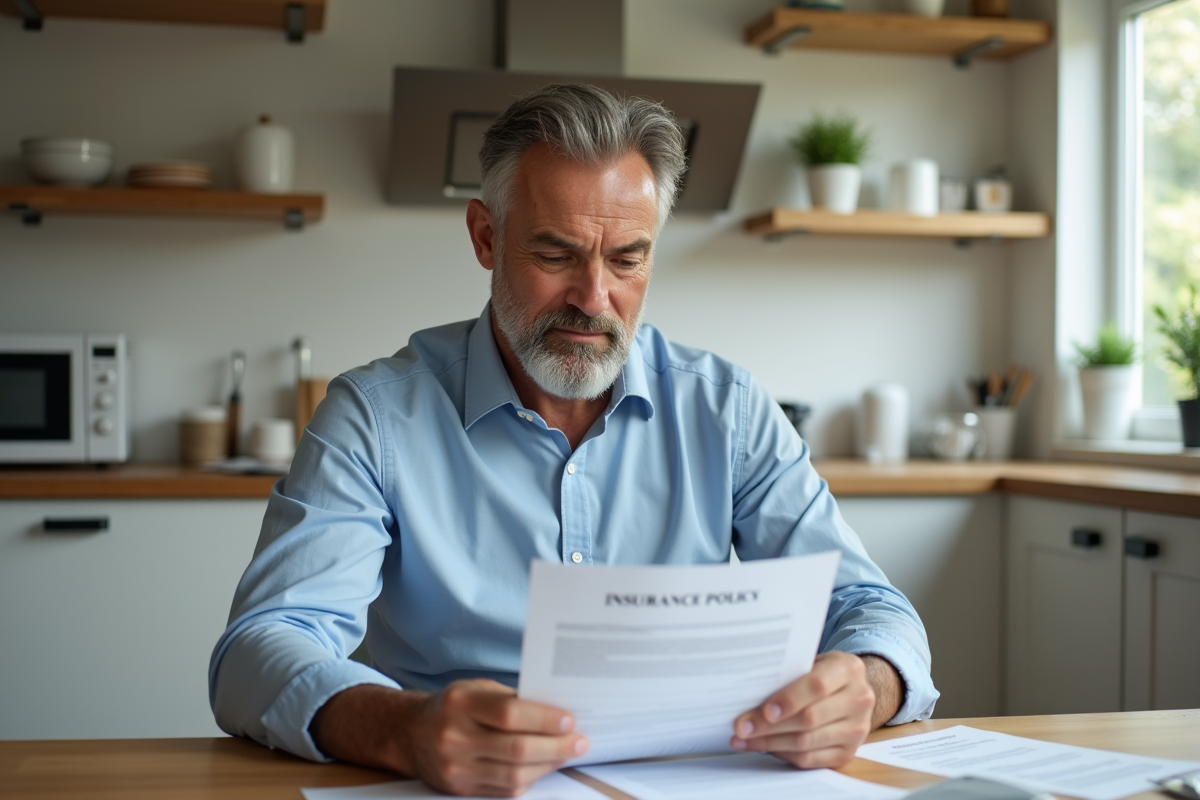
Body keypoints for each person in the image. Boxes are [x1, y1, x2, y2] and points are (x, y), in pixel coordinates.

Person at [209, 83, 938, 798]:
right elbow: (259, 648)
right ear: (485, 237)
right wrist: (403, 728)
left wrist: (866, 685)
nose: (594, 298)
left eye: (627, 259)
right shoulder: (374, 416)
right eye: (556, 255)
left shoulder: (729, 410)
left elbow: (874, 608)